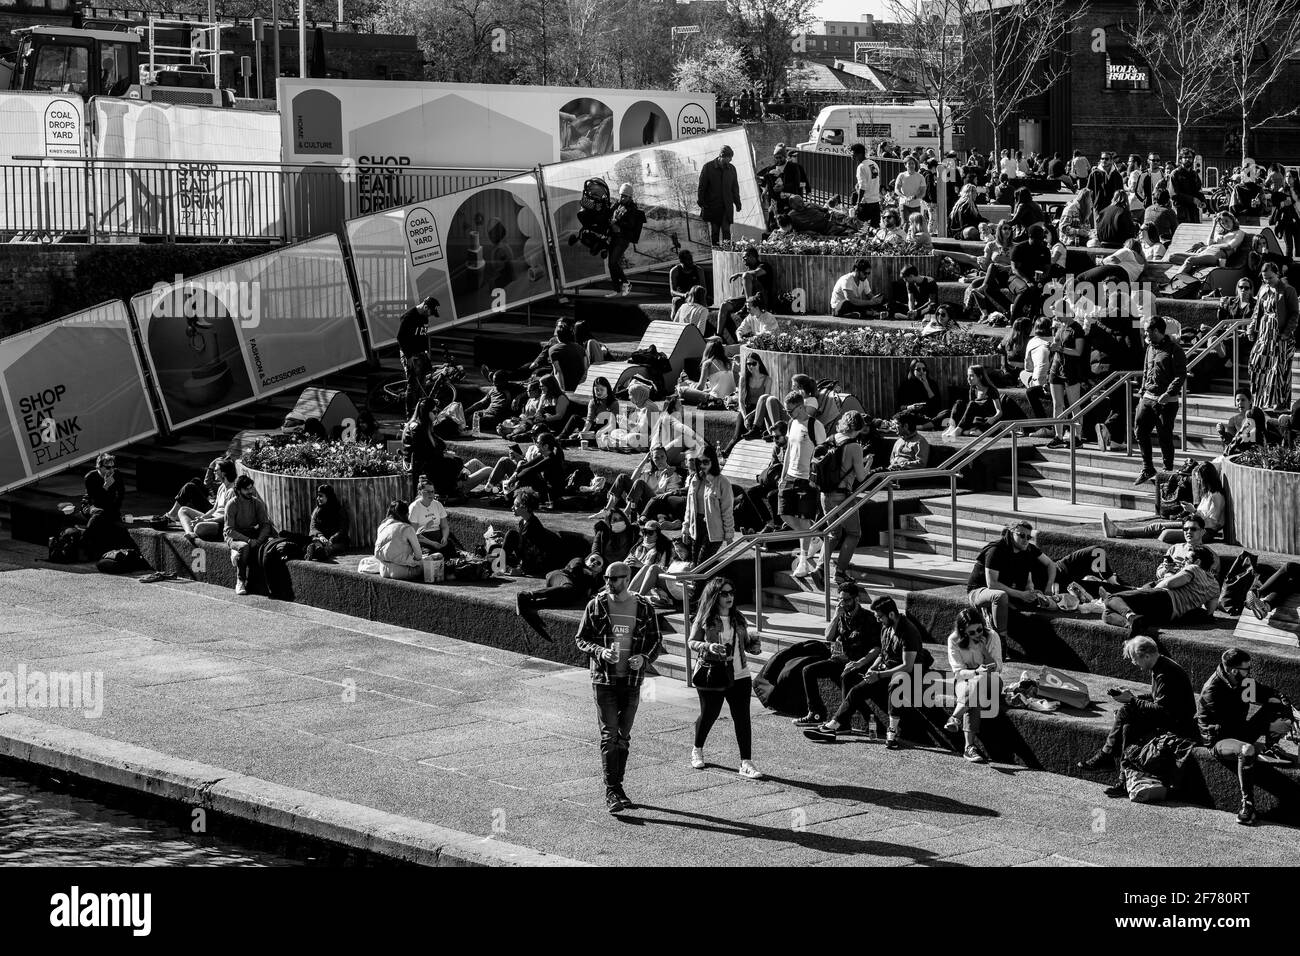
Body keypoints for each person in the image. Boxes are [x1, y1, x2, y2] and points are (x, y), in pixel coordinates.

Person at [574, 559, 662, 814]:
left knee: (623, 737)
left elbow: (656, 640)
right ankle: (612, 790)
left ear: (627, 578)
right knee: (609, 735)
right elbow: (581, 638)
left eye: (613, 578)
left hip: (632, 681)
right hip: (604, 680)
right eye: (606, 579)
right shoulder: (596, 605)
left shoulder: (644, 607)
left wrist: (644, 657)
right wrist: (600, 651)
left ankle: (618, 787)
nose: (608, 583)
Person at [1077, 635, 1197, 798]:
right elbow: (1157, 697)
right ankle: (1122, 778)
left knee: (1127, 712)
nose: (1134, 663)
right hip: (1169, 717)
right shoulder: (1161, 666)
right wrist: (1133, 697)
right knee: (1127, 723)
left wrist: (1132, 700)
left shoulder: (1166, 673)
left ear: (1146, 656)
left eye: (1135, 659)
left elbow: (1162, 709)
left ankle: (1107, 756)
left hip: (1178, 724)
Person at [803, 595, 923, 749]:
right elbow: (882, 654)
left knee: (895, 684)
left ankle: (892, 733)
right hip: (887, 670)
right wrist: (873, 668)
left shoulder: (908, 631)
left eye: (880, 617)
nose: (878, 620)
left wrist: (878, 675)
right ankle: (833, 726)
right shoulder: (886, 627)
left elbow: (907, 666)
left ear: (892, 614)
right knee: (855, 691)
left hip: (909, 674)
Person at [1197, 647, 1296, 824]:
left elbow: (1264, 693)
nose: (1249, 672)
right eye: (1247, 669)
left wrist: (1285, 704)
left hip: (1238, 729)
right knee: (1247, 749)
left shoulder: (1241, 681)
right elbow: (1228, 726)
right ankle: (1247, 805)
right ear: (1234, 670)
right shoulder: (1212, 691)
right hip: (1219, 739)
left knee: (1277, 706)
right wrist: (1264, 732)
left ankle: (1269, 747)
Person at [687, 576, 765, 779]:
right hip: (713, 673)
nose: (729, 597)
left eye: (731, 593)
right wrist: (708, 646)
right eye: (724, 593)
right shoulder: (705, 618)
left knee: (742, 718)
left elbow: (745, 644)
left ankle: (745, 762)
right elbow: (692, 642)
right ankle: (697, 748)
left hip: (740, 674)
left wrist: (753, 646)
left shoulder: (737, 617)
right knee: (709, 714)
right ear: (715, 595)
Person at [1102, 545, 1221, 637]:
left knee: (1110, 598)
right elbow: (1209, 611)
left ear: (1198, 562)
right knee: (1106, 614)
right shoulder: (1215, 586)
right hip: (1170, 616)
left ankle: (1130, 616)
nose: (1184, 562)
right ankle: (1132, 623)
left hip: (1164, 597)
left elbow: (1169, 583)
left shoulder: (1194, 568)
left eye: (1187, 559)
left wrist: (1149, 591)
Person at [966, 520, 1057, 634]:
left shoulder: (1027, 549)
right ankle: (1001, 636)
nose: (1025, 540)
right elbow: (992, 584)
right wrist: (1021, 594)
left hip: (1007, 588)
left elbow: (1050, 565)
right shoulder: (996, 550)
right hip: (979, 590)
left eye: (1028, 537)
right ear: (1011, 533)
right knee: (1000, 596)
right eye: (1021, 535)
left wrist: (1040, 590)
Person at [1104, 463, 1226, 543]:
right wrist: (1190, 512)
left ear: (1207, 478)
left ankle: (1122, 533)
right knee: (1156, 526)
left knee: (1165, 534)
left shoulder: (1216, 496)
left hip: (1205, 532)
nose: (1198, 481)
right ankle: (1119, 531)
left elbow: (1214, 524)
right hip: (1195, 525)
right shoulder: (1207, 494)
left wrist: (1194, 511)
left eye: (1200, 478)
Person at [1132, 316, 1187, 485]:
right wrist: (1142, 389)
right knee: (1140, 430)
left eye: (1148, 329)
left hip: (1166, 402)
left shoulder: (1174, 350)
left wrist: (1169, 393)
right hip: (1148, 397)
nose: (1145, 332)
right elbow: (1146, 368)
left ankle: (1167, 471)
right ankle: (1148, 467)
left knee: (1164, 436)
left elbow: (1180, 375)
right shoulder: (1150, 347)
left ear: (1156, 331)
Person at [778, 390, 826, 578]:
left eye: (790, 411)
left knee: (804, 521)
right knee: (784, 514)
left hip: (807, 479)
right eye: (786, 411)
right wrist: (783, 476)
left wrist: (817, 479)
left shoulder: (816, 426)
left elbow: (824, 453)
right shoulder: (791, 423)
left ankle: (804, 561)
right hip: (790, 476)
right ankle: (812, 536)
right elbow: (789, 450)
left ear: (801, 407)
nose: (788, 414)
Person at [820, 411, 871, 586]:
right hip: (842, 496)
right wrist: (867, 463)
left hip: (824, 494)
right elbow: (861, 477)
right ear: (859, 427)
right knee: (854, 533)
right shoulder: (855, 446)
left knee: (834, 533)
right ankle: (840, 573)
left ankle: (820, 567)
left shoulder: (831, 438)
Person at [945, 607, 1002, 763]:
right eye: (972, 632)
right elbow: (958, 672)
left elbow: (998, 667)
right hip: (966, 680)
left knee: (978, 683)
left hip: (992, 680)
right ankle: (969, 747)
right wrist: (976, 672)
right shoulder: (954, 640)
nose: (977, 634)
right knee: (974, 693)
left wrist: (984, 651)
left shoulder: (992, 636)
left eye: (979, 629)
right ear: (963, 632)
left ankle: (955, 717)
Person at [517, 552, 606, 641]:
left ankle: (530, 603)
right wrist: (587, 571)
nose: (594, 563)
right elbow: (574, 569)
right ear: (586, 560)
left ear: (600, 570)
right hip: (558, 576)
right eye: (592, 559)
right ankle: (528, 595)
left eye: (598, 563)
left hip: (565, 589)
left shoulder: (592, 581)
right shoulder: (578, 561)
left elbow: (588, 594)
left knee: (569, 600)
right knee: (569, 587)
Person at [1247, 261, 1299, 409]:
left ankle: (1279, 402)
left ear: (1277, 274)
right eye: (1264, 278)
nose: (1267, 280)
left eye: (1270, 277)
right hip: (1264, 334)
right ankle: (1261, 400)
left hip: (1280, 336)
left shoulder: (1288, 290)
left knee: (1279, 370)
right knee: (1256, 363)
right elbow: (1257, 311)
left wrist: (1286, 333)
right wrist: (1251, 328)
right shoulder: (1263, 289)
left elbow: (1295, 314)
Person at [681, 444, 735, 567]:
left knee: (701, 566)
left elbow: (727, 510)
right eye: (699, 462)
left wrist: (729, 534)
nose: (702, 465)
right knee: (695, 565)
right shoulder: (695, 479)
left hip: (714, 530)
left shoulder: (722, 482)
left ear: (713, 461)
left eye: (705, 462)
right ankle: (703, 586)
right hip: (696, 527)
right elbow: (689, 508)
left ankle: (699, 585)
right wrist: (685, 527)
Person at [224, 475, 275, 595]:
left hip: (252, 533)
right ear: (238, 490)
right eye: (246, 489)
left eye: (251, 488)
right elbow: (229, 530)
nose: (250, 491)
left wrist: (258, 540)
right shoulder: (232, 505)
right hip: (234, 536)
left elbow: (265, 525)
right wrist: (248, 540)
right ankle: (240, 581)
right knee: (243, 547)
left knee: (267, 545)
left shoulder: (257, 503)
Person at [716, 246, 775, 341]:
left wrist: (740, 274)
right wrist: (734, 301)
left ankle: (748, 305)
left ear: (752, 257)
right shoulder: (747, 272)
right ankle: (718, 335)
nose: (743, 259)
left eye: (744, 257)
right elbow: (744, 293)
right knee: (724, 305)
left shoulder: (764, 266)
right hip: (748, 299)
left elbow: (756, 273)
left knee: (746, 275)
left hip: (761, 299)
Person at [79, 452, 130, 560]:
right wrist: (105, 486)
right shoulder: (90, 477)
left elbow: (121, 495)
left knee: (106, 515)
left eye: (112, 466)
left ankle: (86, 542)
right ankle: (84, 543)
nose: (111, 470)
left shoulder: (116, 474)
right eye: (107, 467)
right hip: (91, 504)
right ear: (99, 467)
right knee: (99, 514)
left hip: (108, 505)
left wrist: (114, 509)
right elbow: (95, 500)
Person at [502, 489, 562, 577]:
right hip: (527, 555)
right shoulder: (523, 522)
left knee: (511, 535)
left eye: (515, 505)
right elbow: (522, 542)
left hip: (537, 562)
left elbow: (535, 554)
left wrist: (521, 570)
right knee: (511, 535)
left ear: (525, 507)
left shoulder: (533, 526)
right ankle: (501, 562)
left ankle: (501, 563)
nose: (512, 507)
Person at [722, 352, 772, 457]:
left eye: (753, 363)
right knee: (737, 436)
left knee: (759, 435)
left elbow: (764, 400)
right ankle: (725, 454)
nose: (751, 366)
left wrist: (751, 416)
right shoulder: (743, 378)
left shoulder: (767, 379)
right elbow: (741, 401)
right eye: (748, 364)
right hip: (746, 408)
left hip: (759, 410)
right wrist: (745, 417)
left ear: (759, 364)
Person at [396, 296, 439, 417]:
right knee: (413, 385)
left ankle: (419, 412)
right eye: (431, 312)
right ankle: (410, 414)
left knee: (422, 384)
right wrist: (408, 357)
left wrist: (426, 351)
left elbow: (424, 336)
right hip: (409, 354)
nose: (430, 315)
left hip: (420, 353)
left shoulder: (424, 318)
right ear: (425, 307)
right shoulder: (409, 317)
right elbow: (400, 337)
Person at [698, 144, 742, 245]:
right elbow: (702, 187)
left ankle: (727, 252)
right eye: (728, 157)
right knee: (715, 232)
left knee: (726, 231)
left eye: (731, 157)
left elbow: (735, 187)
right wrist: (701, 202)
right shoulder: (708, 167)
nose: (730, 160)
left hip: (727, 206)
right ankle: (716, 253)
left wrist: (737, 203)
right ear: (721, 156)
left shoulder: (731, 169)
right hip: (713, 206)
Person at [626, 519, 675, 607]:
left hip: (657, 581)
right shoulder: (639, 545)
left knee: (646, 568)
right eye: (644, 532)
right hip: (635, 577)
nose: (646, 535)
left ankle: (633, 598)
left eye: (650, 532)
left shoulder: (664, 548)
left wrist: (641, 565)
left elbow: (661, 569)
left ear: (657, 534)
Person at [945, 364, 1005, 436]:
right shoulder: (973, 389)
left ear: (980, 377)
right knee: (959, 403)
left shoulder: (991, 390)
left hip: (986, 419)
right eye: (968, 376)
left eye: (971, 376)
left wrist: (993, 418)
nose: (968, 378)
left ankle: (959, 430)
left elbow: (999, 412)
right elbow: (970, 411)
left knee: (972, 404)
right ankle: (952, 427)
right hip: (975, 418)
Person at [1008, 222, 1052, 319]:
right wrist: (1027, 281)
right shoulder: (1019, 248)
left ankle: (1031, 320)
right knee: (1025, 290)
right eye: (1037, 239)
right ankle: (1013, 320)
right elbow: (1015, 269)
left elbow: (1047, 268)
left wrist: (1043, 276)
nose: (1040, 242)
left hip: (1035, 279)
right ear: (1030, 237)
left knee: (1039, 291)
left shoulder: (1045, 250)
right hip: (1016, 278)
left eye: (1041, 239)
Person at [167, 457, 220, 535]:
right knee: (196, 481)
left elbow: (208, 485)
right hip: (212, 503)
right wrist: (211, 466)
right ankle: (173, 515)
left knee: (190, 487)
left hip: (213, 509)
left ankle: (172, 516)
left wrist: (204, 518)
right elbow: (207, 485)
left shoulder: (227, 483)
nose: (214, 472)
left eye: (216, 470)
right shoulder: (223, 482)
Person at [189, 458, 238, 543]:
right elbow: (214, 509)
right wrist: (201, 518)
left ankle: (194, 530)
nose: (214, 472)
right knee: (183, 510)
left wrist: (205, 521)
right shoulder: (222, 487)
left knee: (199, 527)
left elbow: (226, 517)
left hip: (221, 524)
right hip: (213, 518)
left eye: (216, 470)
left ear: (223, 473)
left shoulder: (232, 491)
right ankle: (189, 533)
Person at [605, 183, 640, 296]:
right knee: (611, 264)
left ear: (630, 197)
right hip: (614, 237)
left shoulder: (632, 208)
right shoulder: (618, 204)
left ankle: (625, 283)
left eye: (625, 196)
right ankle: (617, 289)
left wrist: (617, 222)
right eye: (621, 195)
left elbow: (631, 224)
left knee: (613, 261)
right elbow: (609, 212)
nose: (622, 198)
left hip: (623, 238)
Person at [1218, 386, 1269, 454]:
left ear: (1250, 401)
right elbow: (1232, 442)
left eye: (1243, 400)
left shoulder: (1258, 414)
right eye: (1238, 400)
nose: (1240, 403)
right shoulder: (1233, 420)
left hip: (1257, 452)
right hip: (1240, 453)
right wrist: (1223, 433)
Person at [897, 358, 947, 427]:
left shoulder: (932, 383)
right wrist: (911, 407)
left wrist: (926, 385)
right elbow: (900, 406)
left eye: (924, 369)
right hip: (914, 414)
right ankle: (928, 425)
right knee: (900, 416)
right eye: (918, 369)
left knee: (947, 413)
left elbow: (937, 404)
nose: (921, 371)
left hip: (930, 415)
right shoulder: (906, 385)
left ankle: (922, 426)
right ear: (912, 370)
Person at [408, 476, 452, 553]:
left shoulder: (438, 504)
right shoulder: (414, 507)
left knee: (450, 550)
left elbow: (444, 526)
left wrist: (444, 538)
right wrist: (432, 543)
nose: (431, 494)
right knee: (430, 554)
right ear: (420, 492)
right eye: (427, 492)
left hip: (438, 535)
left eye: (432, 492)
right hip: (423, 538)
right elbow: (413, 534)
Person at [309, 484, 350, 557]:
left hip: (336, 541)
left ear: (328, 497)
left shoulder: (339, 510)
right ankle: (317, 550)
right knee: (314, 541)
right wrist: (321, 536)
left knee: (332, 547)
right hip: (321, 539)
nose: (318, 498)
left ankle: (322, 551)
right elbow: (313, 527)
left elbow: (343, 529)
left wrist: (332, 539)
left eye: (321, 496)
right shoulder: (317, 511)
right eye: (318, 496)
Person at [546, 323, 587, 392]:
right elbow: (586, 367)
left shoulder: (553, 350)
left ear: (558, 337)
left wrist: (562, 390)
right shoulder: (580, 347)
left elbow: (558, 372)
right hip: (580, 385)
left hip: (566, 386)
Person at [1169, 149, 1205, 224]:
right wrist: (1192, 199)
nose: (1188, 159)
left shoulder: (1194, 174)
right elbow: (1174, 195)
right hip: (1180, 212)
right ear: (1180, 160)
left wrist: (1203, 201)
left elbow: (1198, 190)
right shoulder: (1175, 174)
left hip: (1194, 212)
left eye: (1190, 157)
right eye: (1185, 157)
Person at [851, 142, 882, 227]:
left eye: (853, 154)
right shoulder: (873, 164)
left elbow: (862, 186)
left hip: (866, 203)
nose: (852, 156)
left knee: (862, 229)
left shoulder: (861, 167)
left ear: (859, 154)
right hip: (875, 202)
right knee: (875, 229)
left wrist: (858, 203)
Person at [669, 249, 706, 316]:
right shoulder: (674, 271)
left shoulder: (698, 270)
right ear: (681, 261)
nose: (691, 261)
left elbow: (704, 288)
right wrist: (683, 295)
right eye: (688, 260)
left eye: (691, 259)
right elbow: (672, 291)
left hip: (695, 296)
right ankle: (675, 322)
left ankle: (703, 319)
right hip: (682, 296)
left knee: (702, 298)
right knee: (676, 300)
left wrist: (695, 295)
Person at [895, 155, 927, 222]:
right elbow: (897, 189)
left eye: (913, 163)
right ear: (905, 165)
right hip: (904, 204)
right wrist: (904, 197)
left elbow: (923, 192)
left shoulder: (920, 177)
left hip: (916, 204)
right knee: (905, 224)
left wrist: (914, 197)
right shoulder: (901, 175)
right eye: (909, 163)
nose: (911, 165)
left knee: (916, 224)